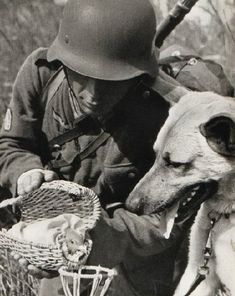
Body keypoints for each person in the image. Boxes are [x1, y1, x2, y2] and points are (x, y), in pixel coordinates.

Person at [0, 0, 232, 295]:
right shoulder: (40, 76)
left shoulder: (168, 118)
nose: (94, 95)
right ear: (63, 62)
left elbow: (164, 224)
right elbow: (13, 144)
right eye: (83, 75)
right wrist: (26, 173)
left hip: (137, 258)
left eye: (111, 81)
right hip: (65, 239)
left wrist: (93, 238)